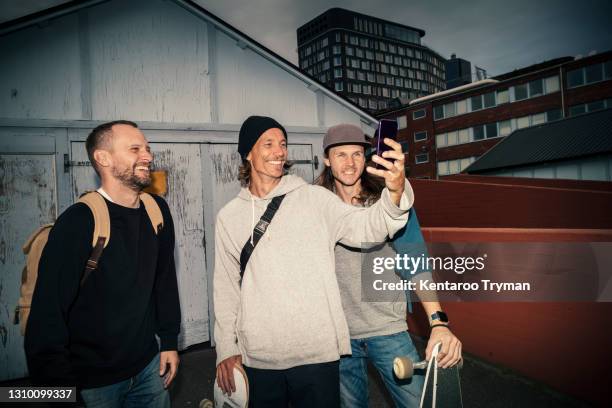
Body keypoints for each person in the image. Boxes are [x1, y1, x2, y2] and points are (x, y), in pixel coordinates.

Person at [213, 116, 414, 407]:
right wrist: (225, 349)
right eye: (268, 144)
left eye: (282, 144)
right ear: (248, 153)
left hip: (317, 355)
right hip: (259, 357)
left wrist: (395, 192)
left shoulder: (315, 199)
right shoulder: (229, 217)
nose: (278, 152)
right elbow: (226, 288)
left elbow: (367, 227)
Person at [25, 120, 181, 407]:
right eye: (135, 148)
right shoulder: (78, 223)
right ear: (103, 158)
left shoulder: (157, 211)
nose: (147, 155)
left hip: (148, 369)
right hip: (91, 383)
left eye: (147, 148)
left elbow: (164, 280)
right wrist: (62, 395)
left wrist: (169, 340)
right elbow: (47, 319)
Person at [315, 124, 462, 408]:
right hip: (338, 337)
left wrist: (438, 323)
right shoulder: (316, 205)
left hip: (388, 330)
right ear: (326, 159)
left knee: (419, 404)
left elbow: (414, 259)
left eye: (357, 154)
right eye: (341, 154)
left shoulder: (389, 201)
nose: (350, 163)